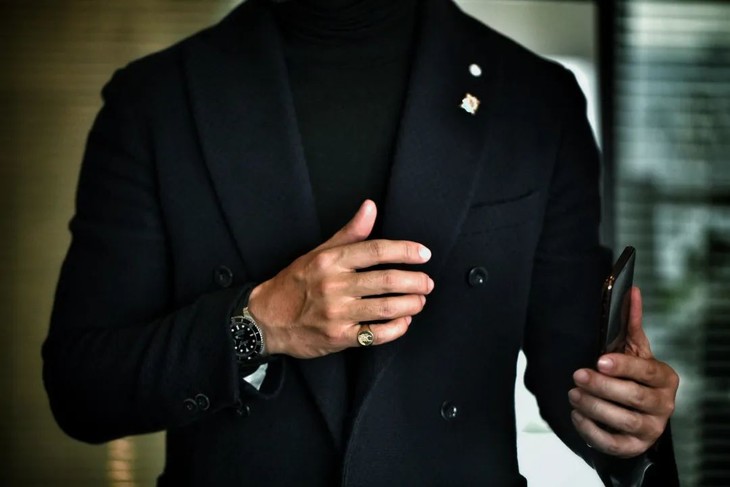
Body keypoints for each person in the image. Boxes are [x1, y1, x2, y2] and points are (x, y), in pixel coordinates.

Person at [42, 0, 680, 485]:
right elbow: (82, 390)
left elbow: (575, 372)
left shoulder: (536, 100)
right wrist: (256, 325)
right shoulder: (155, 102)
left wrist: (628, 420)